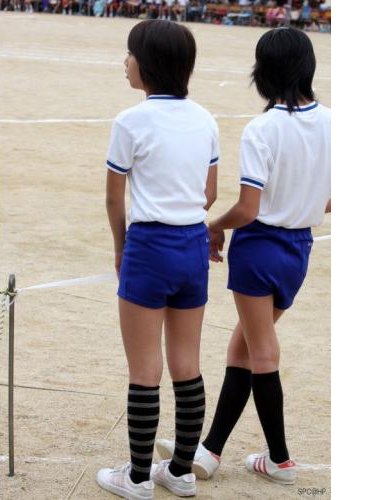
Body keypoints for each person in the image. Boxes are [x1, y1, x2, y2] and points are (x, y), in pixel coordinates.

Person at [157, 26, 331, 487]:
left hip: (259, 247)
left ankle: (280, 460)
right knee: (244, 347)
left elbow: (248, 209)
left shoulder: (263, 129)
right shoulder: (333, 123)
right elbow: (331, 199)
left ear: (263, 72)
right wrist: (301, 202)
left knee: (263, 352)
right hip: (299, 250)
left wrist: (213, 227)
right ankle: (210, 450)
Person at [96, 19, 219, 499]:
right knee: (187, 364)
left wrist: (120, 247)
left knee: (145, 370)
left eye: (130, 54)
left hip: (149, 245)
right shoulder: (205, 119)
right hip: (192, 244)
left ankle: (137, 477)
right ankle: (182, 471)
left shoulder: (130, 121)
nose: (125, 62)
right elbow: (208, 195)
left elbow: (114, 198)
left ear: (148, 64)